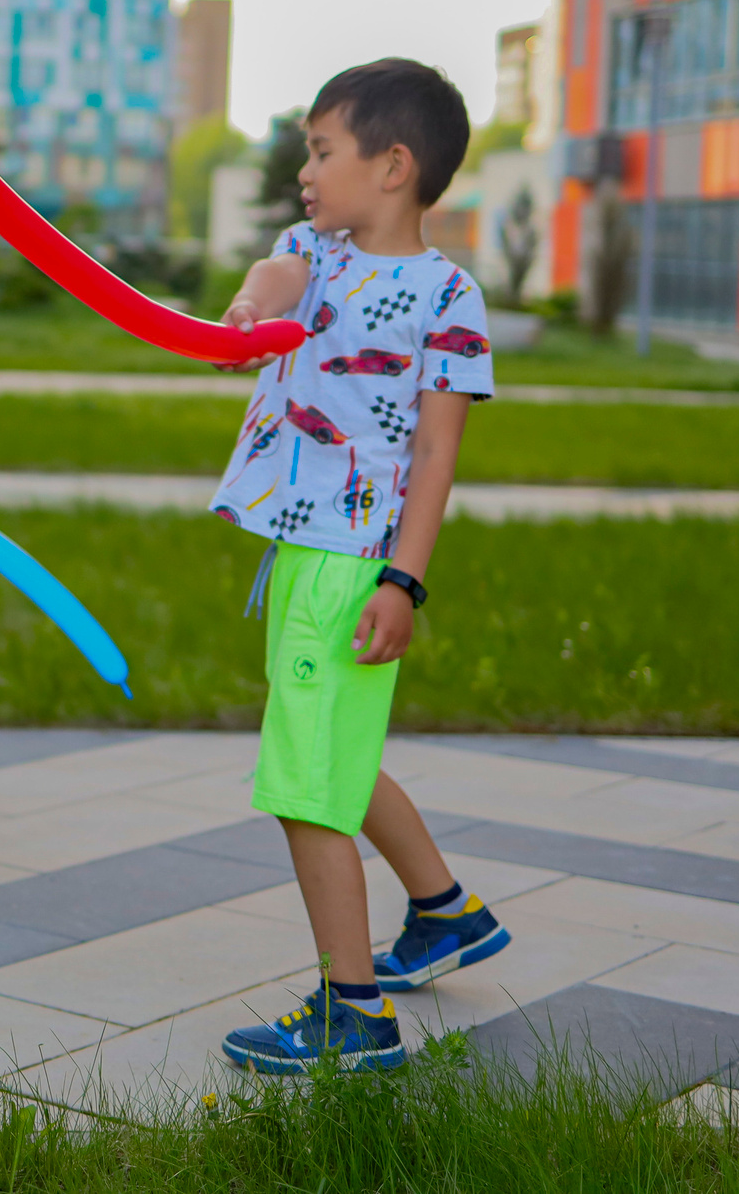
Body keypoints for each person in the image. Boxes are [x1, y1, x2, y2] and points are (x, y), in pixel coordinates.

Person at [209, 58, 511, 1078]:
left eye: (321, 149)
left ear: (392, 165)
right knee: (333, 746)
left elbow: (435, 454)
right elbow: (274, 278)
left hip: (352, 564)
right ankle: (443, 913)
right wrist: (248, 312)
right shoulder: (315, 253)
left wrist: (403, 582)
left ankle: (353, 1010)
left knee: (306, 783)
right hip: (305, 552)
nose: (305, 169)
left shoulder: (447, 298)